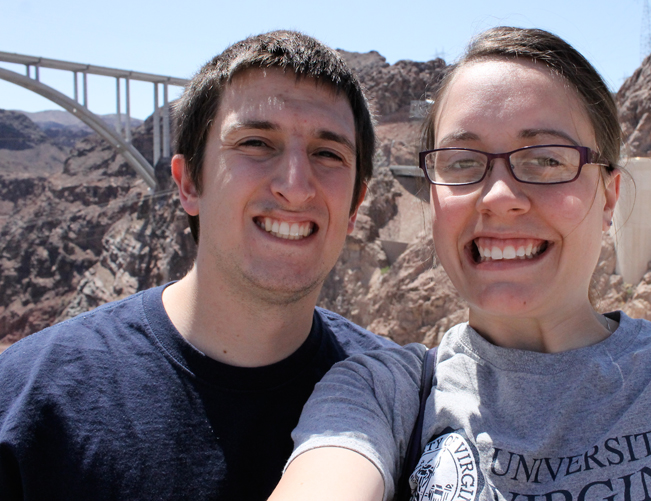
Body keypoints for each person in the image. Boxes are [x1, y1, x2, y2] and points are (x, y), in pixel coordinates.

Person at [269, 27, 651, 501]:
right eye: (461, 163)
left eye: (546, 159)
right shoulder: (383, 395)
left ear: (610, 195)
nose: (499, 196)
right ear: (432, 198)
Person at [0, 30, 392, 500]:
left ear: (355, 205)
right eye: (255, 143)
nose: (296, 186)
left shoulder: (395, 399)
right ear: (188, 184)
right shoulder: (30, 403)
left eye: (328, 153)